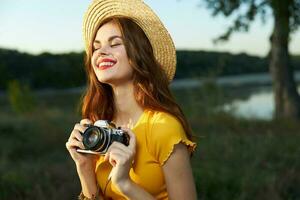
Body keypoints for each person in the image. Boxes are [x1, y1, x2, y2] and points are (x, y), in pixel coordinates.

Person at [65, 0, 197, 199]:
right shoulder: (99, 127)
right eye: (96, 47)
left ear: (139, 54)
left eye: (115, 43)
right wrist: (84, 167)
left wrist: (124, 183)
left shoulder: (163, 128)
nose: (101, 52)